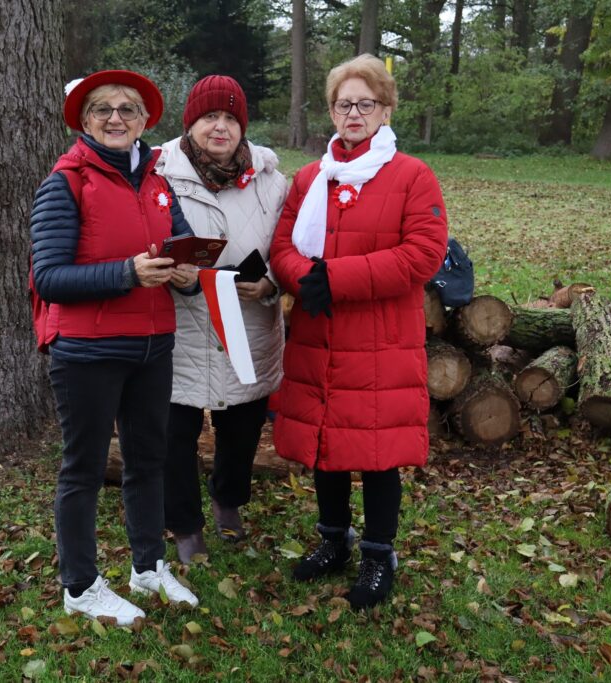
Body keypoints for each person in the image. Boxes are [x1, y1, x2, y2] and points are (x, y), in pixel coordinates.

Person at [269, 54, 448, 610]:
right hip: (320, 335)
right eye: (343, 103)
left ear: (386, 109)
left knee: (375, 451)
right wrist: (302, 277)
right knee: (326, 445)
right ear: (331, 110)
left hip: (377, 338)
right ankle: (332, 541)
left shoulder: (412, 176)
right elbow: (281, 247)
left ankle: (377, 554)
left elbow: (423, 254)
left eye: (364, 103)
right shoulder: (310, 177)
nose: (353, 113)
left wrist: (334, 277)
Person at [29, 70, 200, 627]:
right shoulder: (67, 182)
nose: (116, 118)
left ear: (146, 121)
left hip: (153, 344)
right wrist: (127, 273)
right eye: (102, 109)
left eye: (127, 109)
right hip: (89, 350)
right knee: (82, 469)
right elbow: (49, 277)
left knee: (149, 460)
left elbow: (183, 247)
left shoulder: (157, 179)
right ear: (83, 121)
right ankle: (80, 586)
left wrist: (187, 275)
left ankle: (147, 565)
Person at [156, 76, 287, 564]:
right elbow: (143, 233)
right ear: (190, 122)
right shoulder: (158, 173)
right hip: (182, 327)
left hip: (249, 324)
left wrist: (272, 278)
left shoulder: (272, 180)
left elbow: (290, 243)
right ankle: (185, 524)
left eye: (231, 118)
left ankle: (228, 499)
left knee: (242, 428)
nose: (221, 127)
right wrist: (169, 267)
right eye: (210, 116)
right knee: (176, 433)